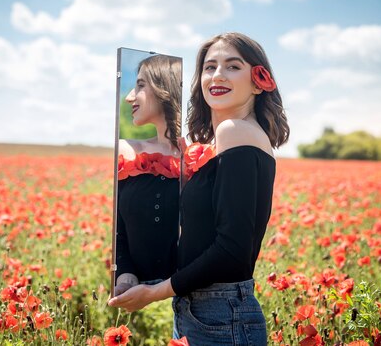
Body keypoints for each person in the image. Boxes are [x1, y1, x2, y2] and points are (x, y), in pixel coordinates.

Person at [109, 33, 289, 345]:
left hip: (221, 316)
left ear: (259, 81)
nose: (218, 75)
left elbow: (232, 251)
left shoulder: (236, 131)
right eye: (209, 67)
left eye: (233, 66)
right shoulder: (220, 141)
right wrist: (129, 271)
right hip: (204, 312)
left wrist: (155, 292)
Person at [115, 54, 182, 295]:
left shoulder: (201, 157)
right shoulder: (126, 151)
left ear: (166, 87)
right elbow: (117, 231)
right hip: (136, 293)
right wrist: (125, 275)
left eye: (140, 85)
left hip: (189, 294)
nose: (129, 97)